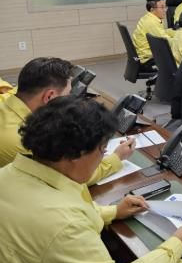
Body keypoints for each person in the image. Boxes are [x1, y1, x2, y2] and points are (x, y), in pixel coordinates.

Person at [0, 96, 182, 263]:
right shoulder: (67, 226)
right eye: (102, 150)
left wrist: (114, 211)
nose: (103, 157)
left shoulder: (7, 174)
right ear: (76, 155)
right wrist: (177, 244)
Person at [0, 57, 133, 185]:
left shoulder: (8, 103)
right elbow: (71, 176)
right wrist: (117, 157)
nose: (70, 98)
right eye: (68, 93)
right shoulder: (23, 141)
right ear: (49, 96)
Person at [132, 0, 175, 69]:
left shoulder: (149, 18)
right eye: (162, 7)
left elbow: (162, 32)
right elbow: (166, 42)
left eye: (165, 7)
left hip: (146, 56)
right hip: (148, 60)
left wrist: (178, 32)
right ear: (152, 9)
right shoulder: (151, 23)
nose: (165, 10)